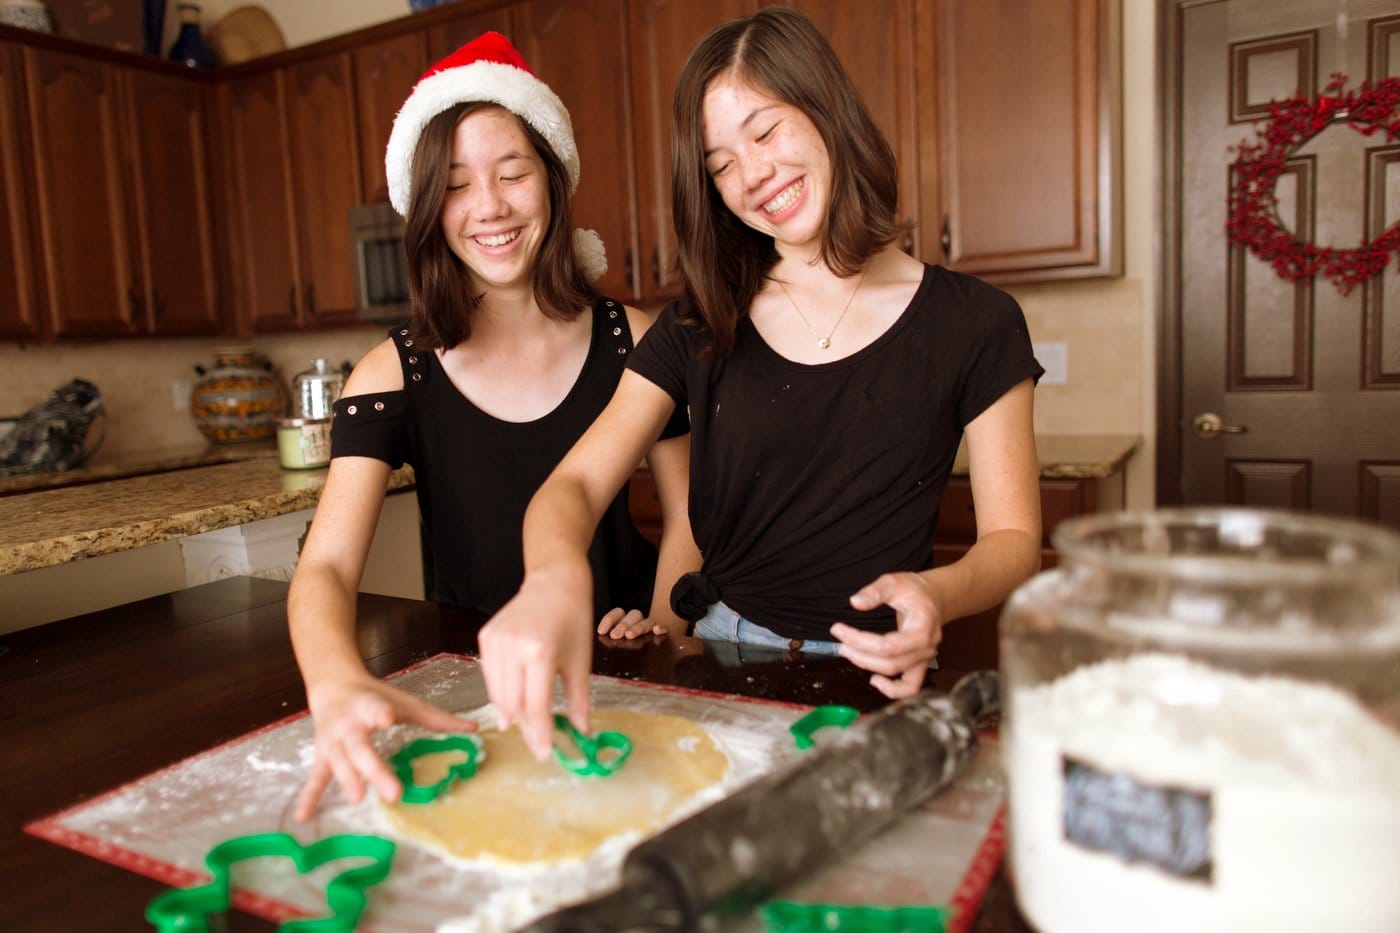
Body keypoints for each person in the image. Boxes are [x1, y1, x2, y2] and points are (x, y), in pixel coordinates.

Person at [479, 6, 1044, 761]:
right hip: (720, 659)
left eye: (765, 131)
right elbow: (576, 482)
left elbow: (1014, 541)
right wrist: (551, 578)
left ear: (826, 109)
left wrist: (937, 594)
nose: (751, 176)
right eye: (719, 163)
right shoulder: (702, 323)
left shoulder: (977, 322)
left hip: (878, 672)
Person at [287, 32, 696, 818]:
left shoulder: (635, 340)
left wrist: (661, 625)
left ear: (553, 179)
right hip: (470, 697)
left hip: (624, 677)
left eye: (513, 173)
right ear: (426, 209)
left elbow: (690, 514)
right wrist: (335, 677)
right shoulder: (391, 372)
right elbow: (327, 569)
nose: (491, 207)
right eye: (457, 184)